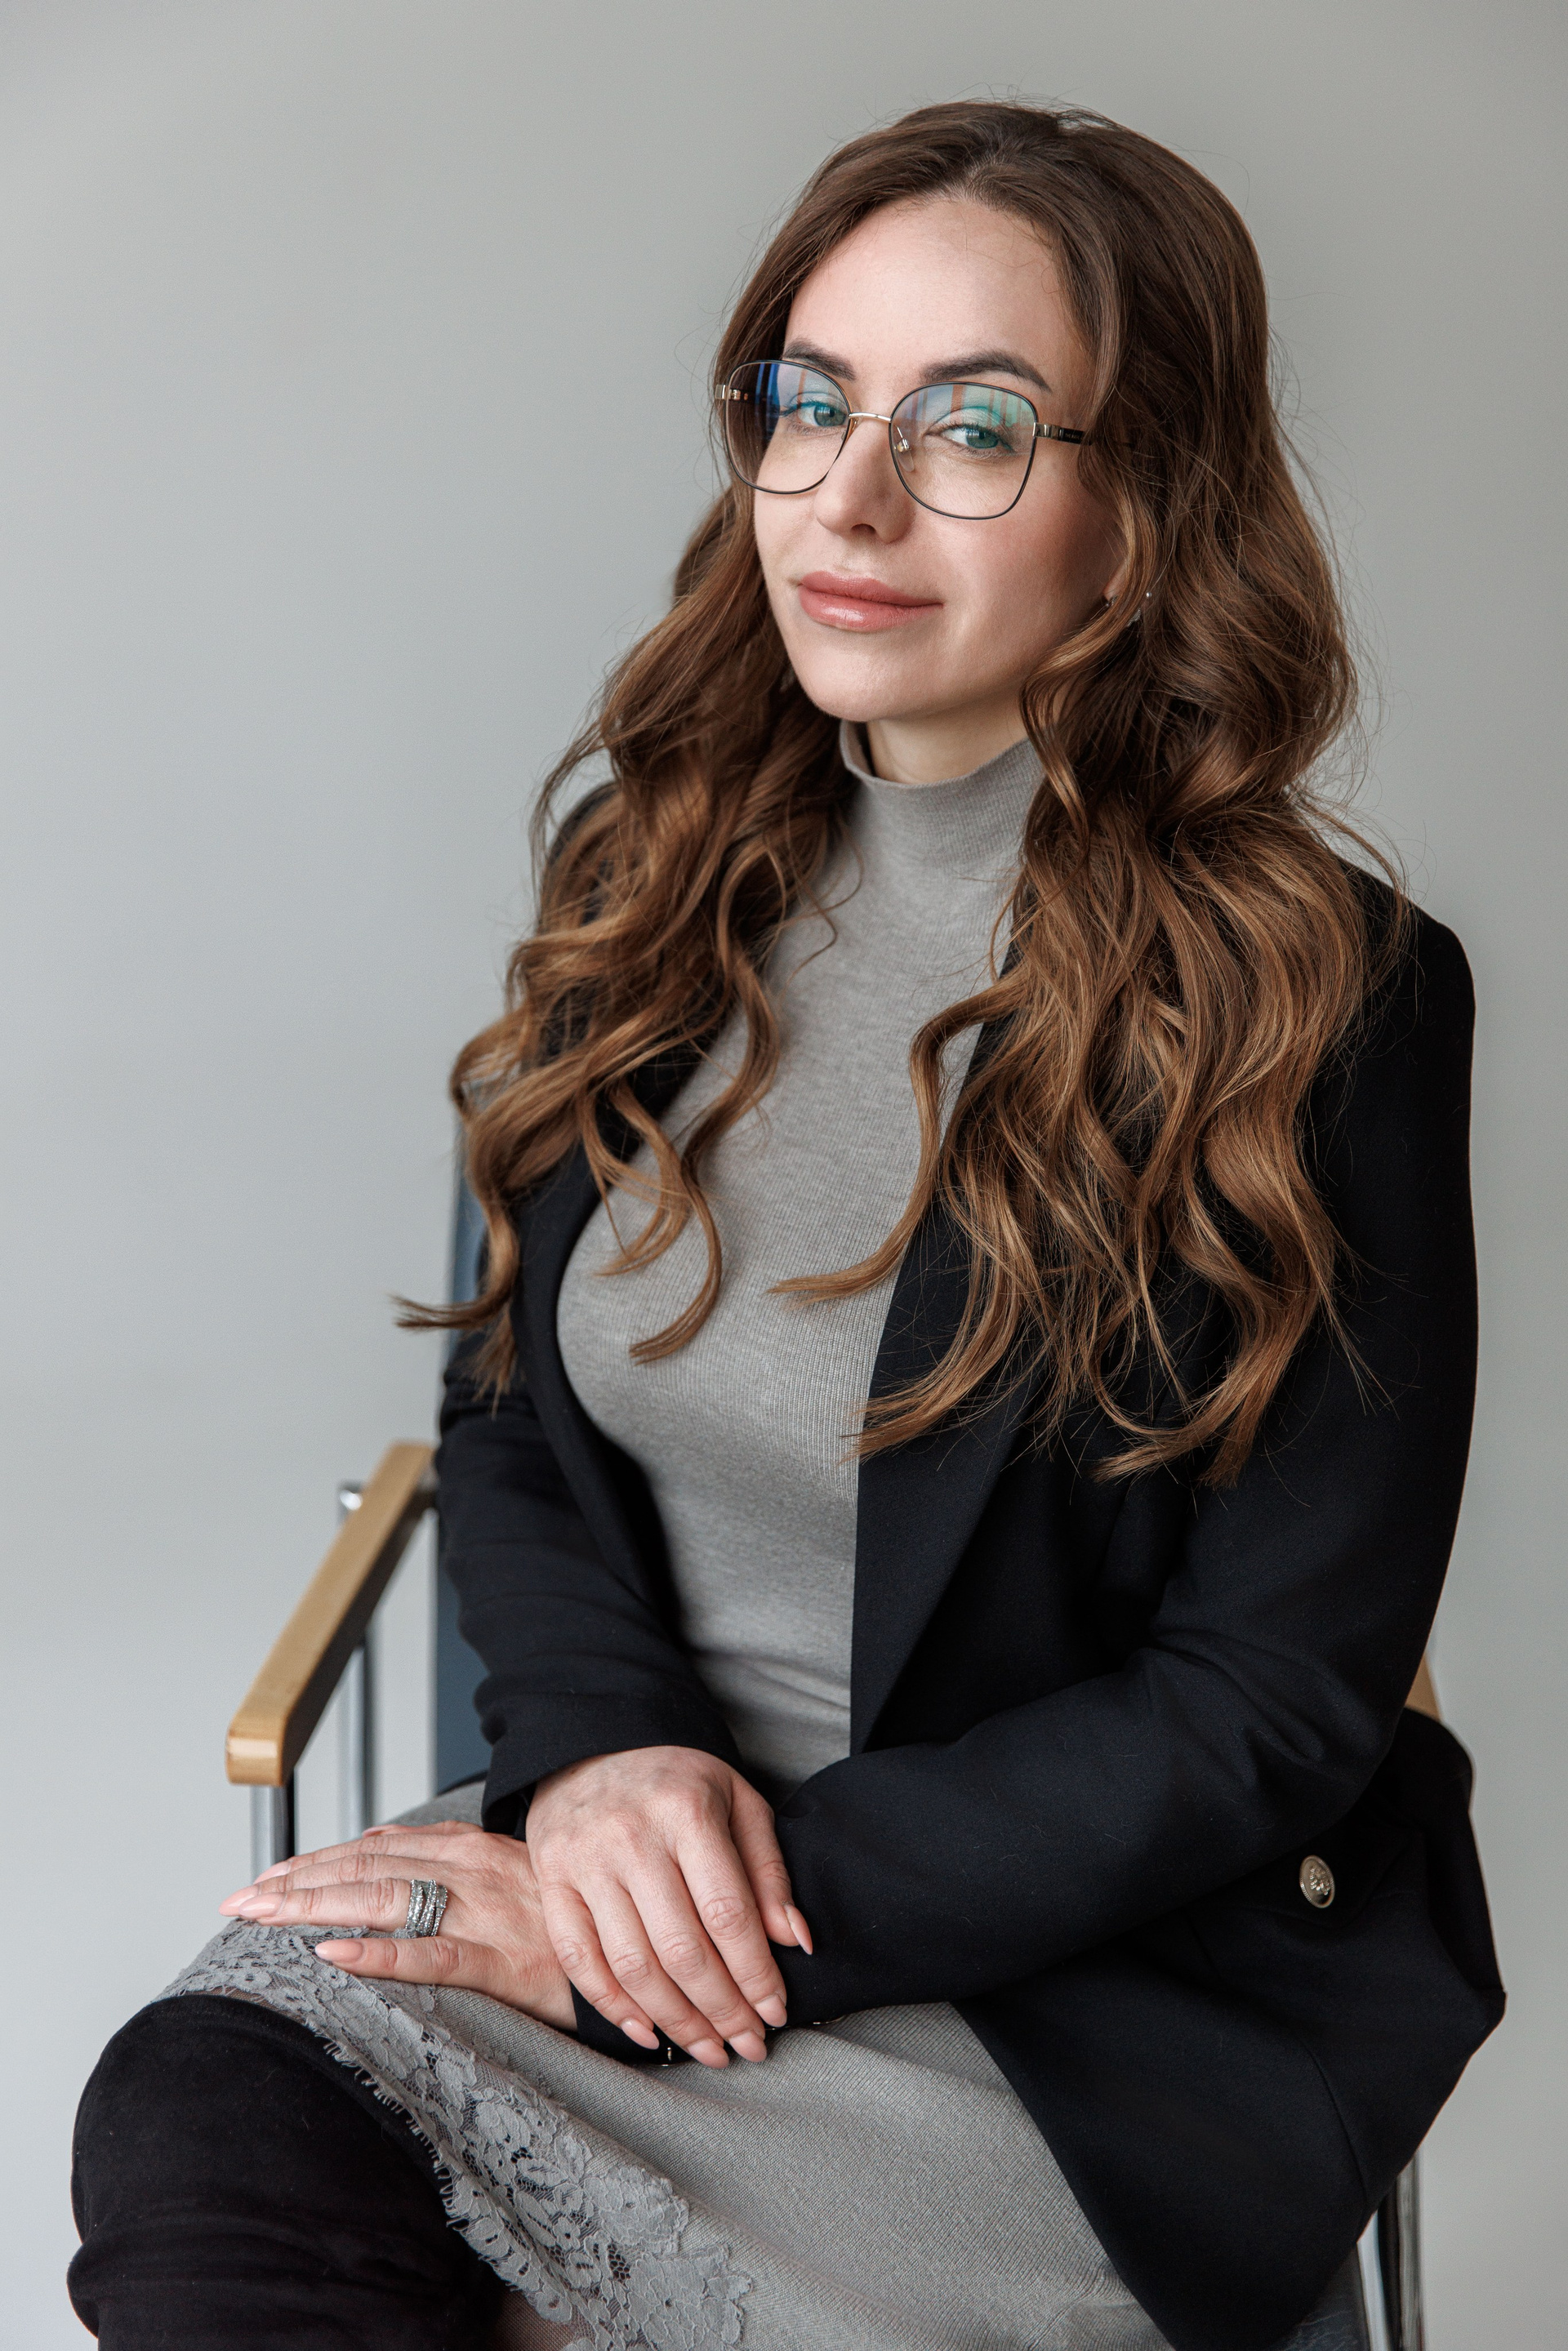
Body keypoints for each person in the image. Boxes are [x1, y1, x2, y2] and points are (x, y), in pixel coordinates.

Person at [69, 99, 1503, 2351]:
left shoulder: (1321, 999)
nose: (846, 497)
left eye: (976, 430)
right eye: (810, 402)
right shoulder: (653, 884)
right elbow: (513, 1412)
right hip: (610, 1851)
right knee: (200, 2134)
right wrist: (606, 1766)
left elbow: (1269, 1706)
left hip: (1045, 1993)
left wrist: (734, 1912)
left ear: (1143, 514)